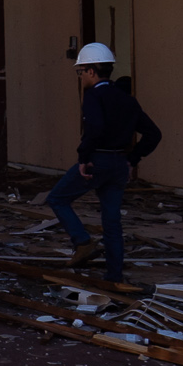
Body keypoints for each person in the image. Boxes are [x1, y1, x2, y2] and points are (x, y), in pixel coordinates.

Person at [49, 42, 162, 283]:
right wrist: (132, 159)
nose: (80, 77)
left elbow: (95, 128)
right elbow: (154, 134)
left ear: (91, 71)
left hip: (97, 160)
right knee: (112, 222)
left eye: (81, 72)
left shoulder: (93, 96)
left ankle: (82, 242)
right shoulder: (128, 100)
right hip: (120, 164)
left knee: (58, 198)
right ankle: (114, 276)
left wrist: (83, 158)